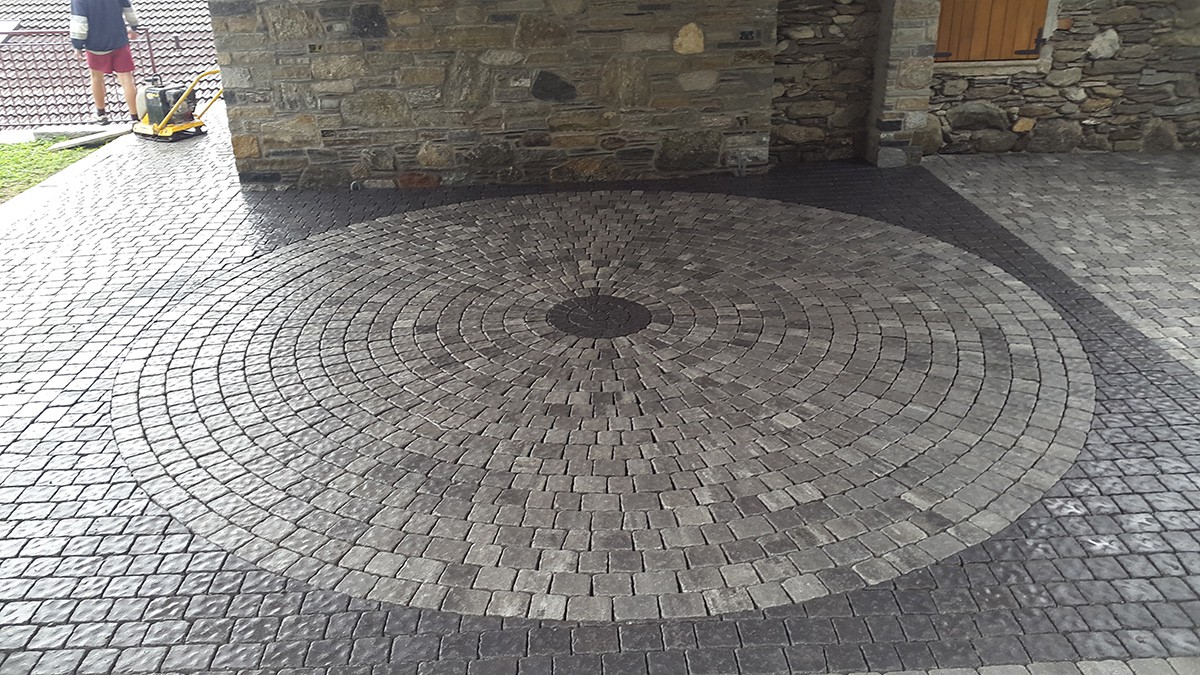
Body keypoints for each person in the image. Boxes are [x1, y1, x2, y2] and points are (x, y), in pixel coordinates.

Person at [69, 0, 141, 125]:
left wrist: (78, 46)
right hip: (119, 41)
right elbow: (128, 9)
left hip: (95, 45)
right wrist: (134, 27)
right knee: (127, 80)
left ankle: (101, 115)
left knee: (96, 78)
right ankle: (135, 118)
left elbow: (80, 21)